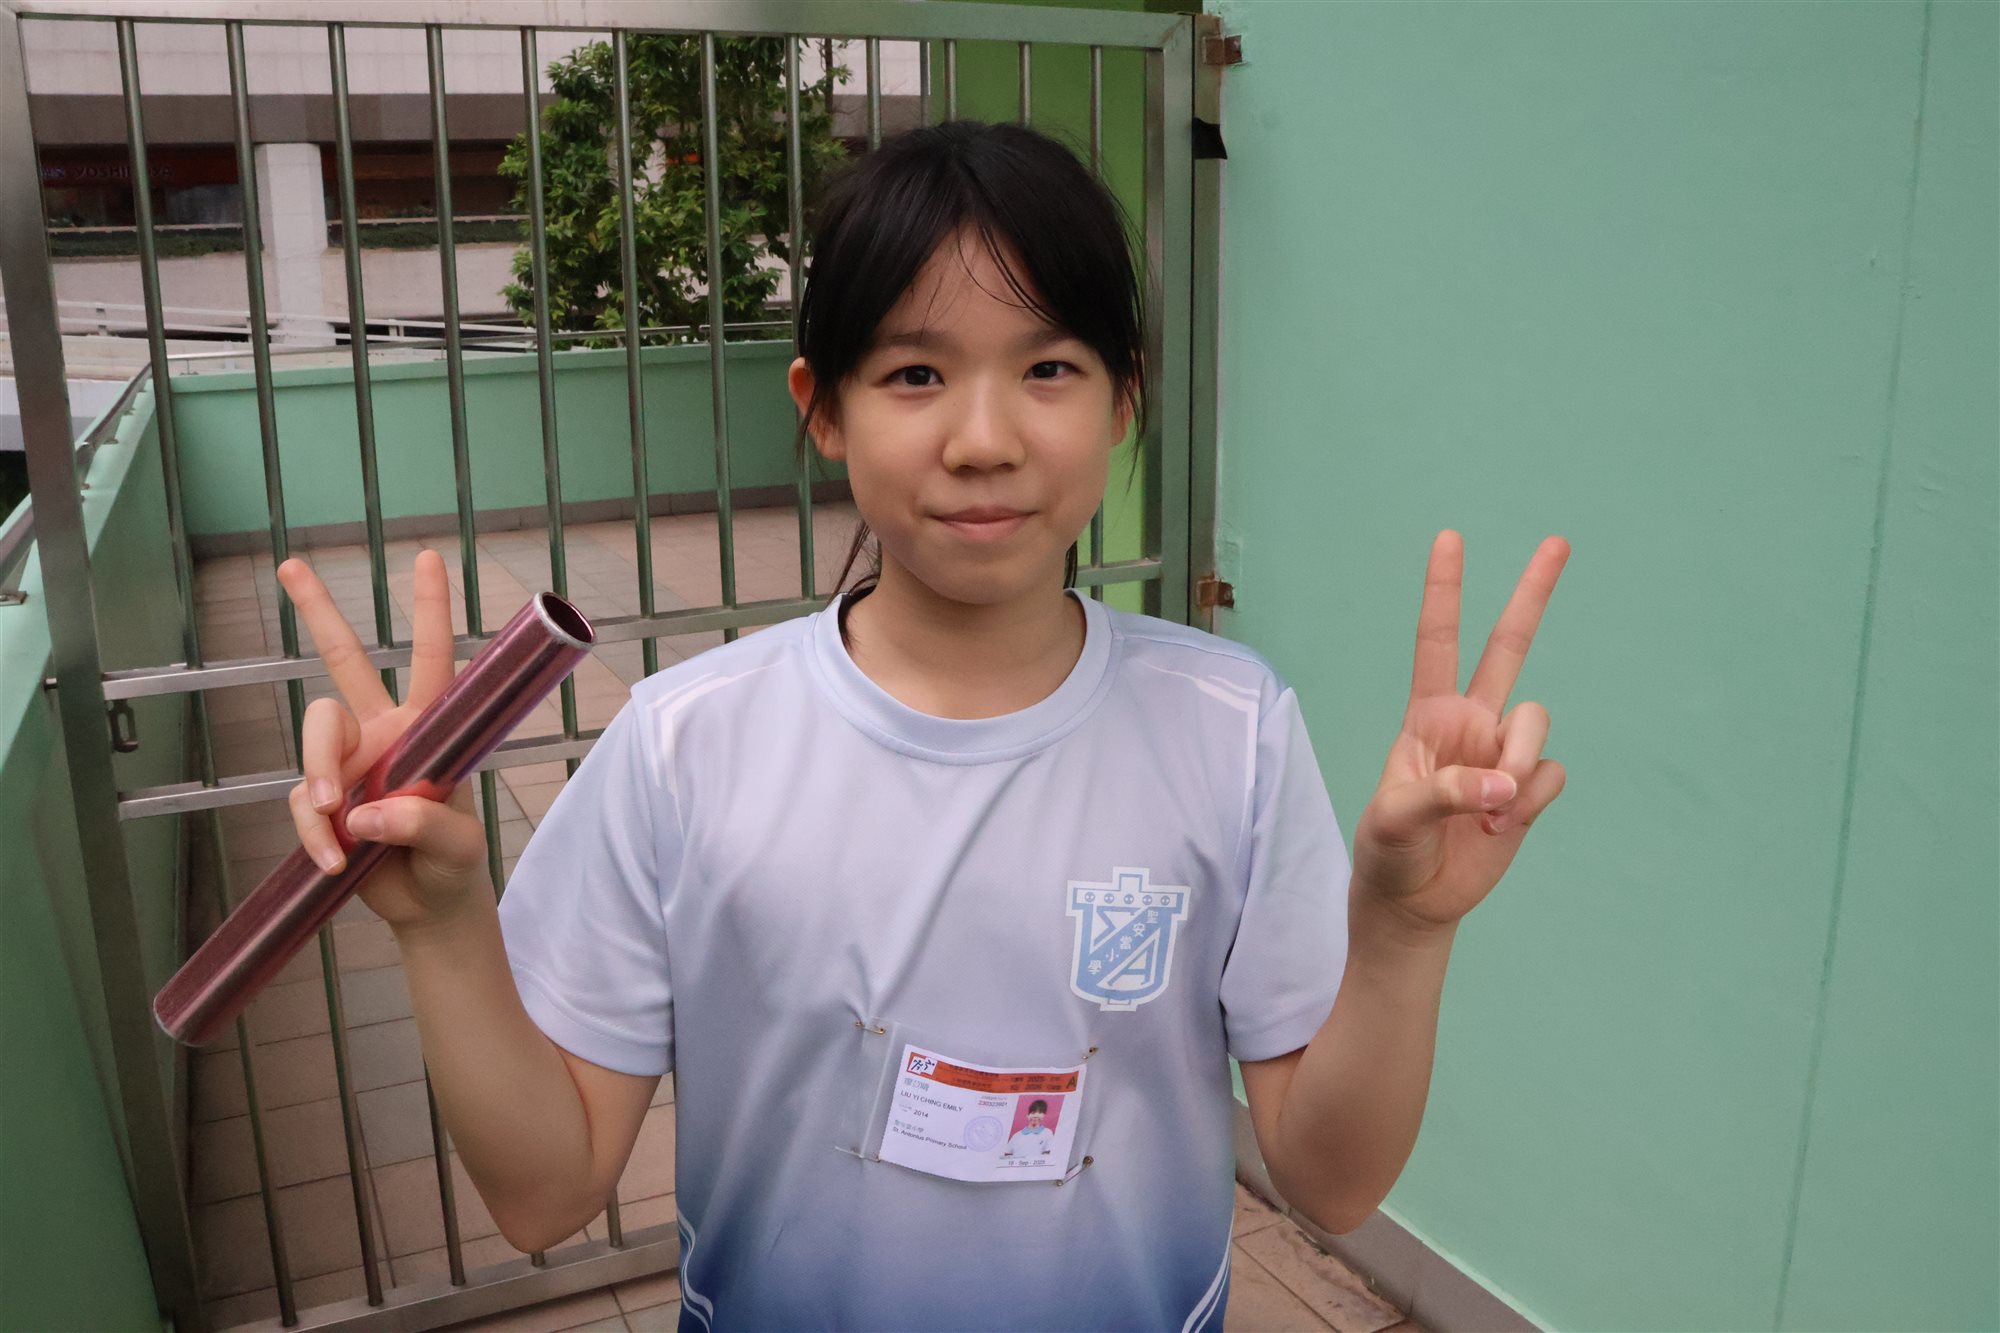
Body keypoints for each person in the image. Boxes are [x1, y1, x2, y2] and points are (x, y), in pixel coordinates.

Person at [278, 120, 1569, 1331]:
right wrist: (444, 926)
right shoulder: (685, 747)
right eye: (915, 373)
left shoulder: (1229, 731)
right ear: (824, 408)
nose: (984, 439)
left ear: (1123, 400)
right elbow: (544, 1192)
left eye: (1048, 368)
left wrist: (1403, 934)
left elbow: (1331, 1184)